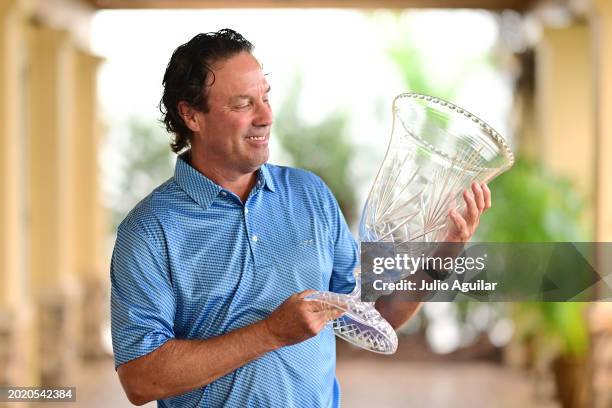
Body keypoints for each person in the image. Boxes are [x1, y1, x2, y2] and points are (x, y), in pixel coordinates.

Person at [110, 29, 492, 407]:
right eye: (243, 104)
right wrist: (271, 333)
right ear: (191, 114)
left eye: (265, 97)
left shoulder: (310, 195)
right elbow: (141, 379)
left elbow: (376, 316)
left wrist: (440, 258)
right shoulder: (149, 230)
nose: (265, 116)